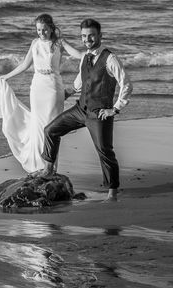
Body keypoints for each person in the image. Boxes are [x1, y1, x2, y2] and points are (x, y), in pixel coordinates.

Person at [38, 18, 133, 202]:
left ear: (99, 36)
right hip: (80, 109)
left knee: (105, 151)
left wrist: (115, 109)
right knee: (50, 130)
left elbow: (126, 84)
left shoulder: (110, 58)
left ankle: (112, 193)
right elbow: (80, 81)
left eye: (91, 36)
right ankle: (48, 169)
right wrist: (67, 92)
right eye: (83, 36)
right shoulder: (85, 57)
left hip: (98, 113)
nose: (87, 39)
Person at [0, 14, 82, 173]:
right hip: (37, 88)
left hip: (54, 88)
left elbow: (79, 55)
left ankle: (51, 167)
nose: (41, 33)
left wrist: (95, 54)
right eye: (38, 30)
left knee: (52, 128)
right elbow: (25, 65)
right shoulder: (35, 43)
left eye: (44, 30)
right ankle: (39, 165)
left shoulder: (59, 42)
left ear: (51, 28)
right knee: (38, 126)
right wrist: (6, 76)